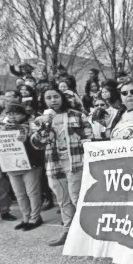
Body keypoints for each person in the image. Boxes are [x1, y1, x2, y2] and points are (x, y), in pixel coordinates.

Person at [31, 84, 93, 246]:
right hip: (54, 165)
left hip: (76, 163)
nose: (53, 100)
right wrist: (45, 124)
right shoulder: (39, 120)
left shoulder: (77, 115)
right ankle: (68, 232)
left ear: (62, 98)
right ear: (44, 101)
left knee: (77, 198)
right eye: (49, 98)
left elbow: (89, 136)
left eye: (56, 96)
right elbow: (37, 144)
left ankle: (87, 234)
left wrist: (85, 141)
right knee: (62, 200)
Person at [0, 103, 45, 231]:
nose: (12, 116)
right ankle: (26, 218)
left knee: (32, 193)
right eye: (9, 113)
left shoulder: (32, 126)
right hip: (12, 165)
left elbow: (40, 145)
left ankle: (35, 218)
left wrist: (27, 140)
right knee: (19, 194)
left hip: (31, 164)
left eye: (16, 113)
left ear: (24, 114)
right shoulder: (2, 128)